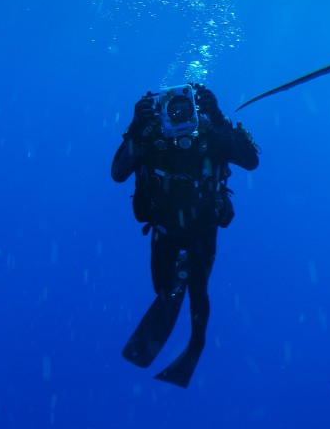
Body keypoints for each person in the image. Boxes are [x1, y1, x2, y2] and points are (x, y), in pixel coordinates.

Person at [111, 83, 259, 388]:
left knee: (199, 293)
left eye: (185, 105)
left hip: (202, 231)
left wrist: (218, 117)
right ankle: (176, 282)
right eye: (172, 106)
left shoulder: (209, 133)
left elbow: (250, 161)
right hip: (164, 232)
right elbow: (118, 173)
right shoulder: (151, 134)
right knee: (163, 291)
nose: (179, 112)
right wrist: (136, 127)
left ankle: (196, 344)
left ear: (195, 105)